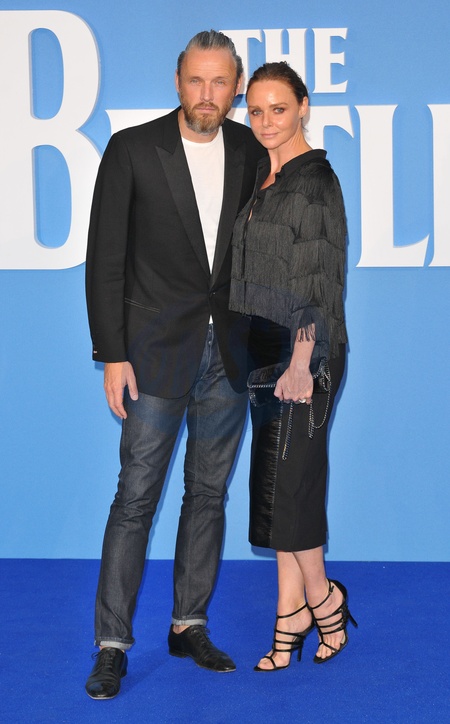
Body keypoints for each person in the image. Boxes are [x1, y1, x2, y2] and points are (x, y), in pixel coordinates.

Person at [84, 30, 266, 699]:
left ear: (236, 87)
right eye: (196, 80)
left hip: (229, 355)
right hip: (154, 354)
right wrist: (113, 353)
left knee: (208, 494)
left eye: (219, 82)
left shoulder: (250, 150)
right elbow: (105, 259)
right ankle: (112, 645)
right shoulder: (133, 148)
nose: (206, 94)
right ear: (177, 80)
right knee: (135, 499)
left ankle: (189, 624)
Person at [229, 62, 357, 671]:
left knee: (292, 490)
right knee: (279, 489)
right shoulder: (264, 176)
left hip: (304, 352)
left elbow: (319, 280)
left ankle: (322, 599)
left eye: (278, 109)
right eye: (255, 111)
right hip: (262, 352)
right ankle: (291, 608)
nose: (265, 122)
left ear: (303, 106)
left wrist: (302, 361)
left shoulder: (316, 181)